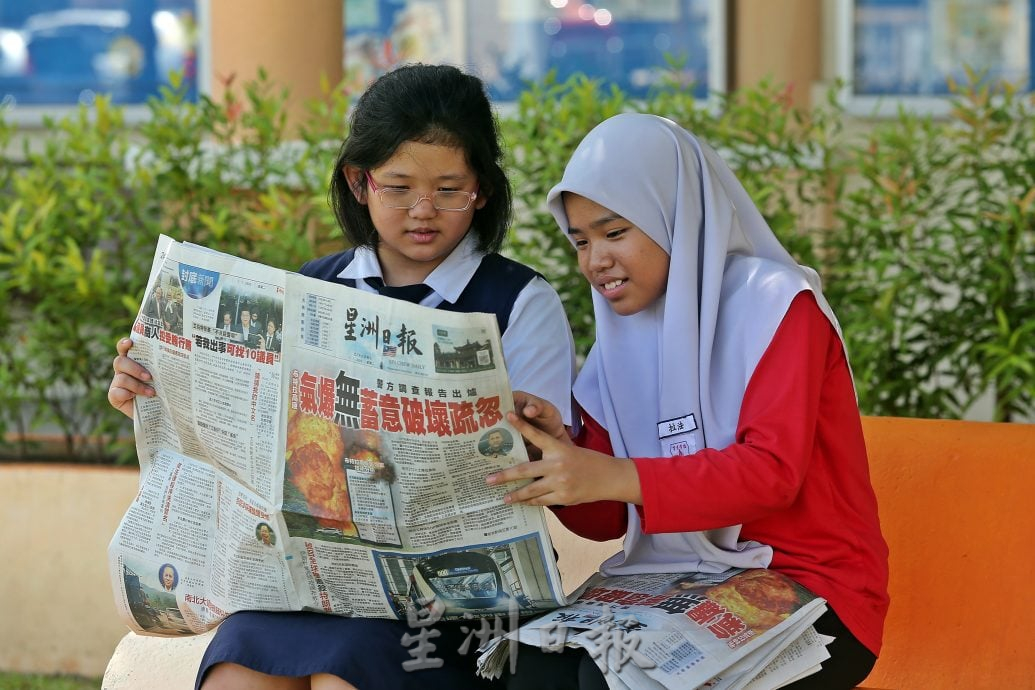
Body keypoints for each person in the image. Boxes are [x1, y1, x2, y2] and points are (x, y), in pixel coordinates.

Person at [107, 63, 576, 690]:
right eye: (398, 186)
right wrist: (153, 388)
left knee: (344, 672)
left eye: (449, 189)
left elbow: (549, 466)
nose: (422, 210)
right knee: (238, 662)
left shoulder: (520, 300)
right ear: (360, 182)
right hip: (312, 582)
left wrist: (533, 434)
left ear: (483, 191)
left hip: (459, 599)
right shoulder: (313, 288)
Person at [488, 114, 890, 690]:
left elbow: (771, 476)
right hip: (673, 581)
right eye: (580, 241)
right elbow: (606, 520)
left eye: (614, 232)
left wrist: (614, 474)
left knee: (618, 679)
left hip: (814, 586)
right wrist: (558, 454)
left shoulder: (776, 306)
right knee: (534, 672)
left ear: (675, 217)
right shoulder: (618, 343)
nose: (593, 260)